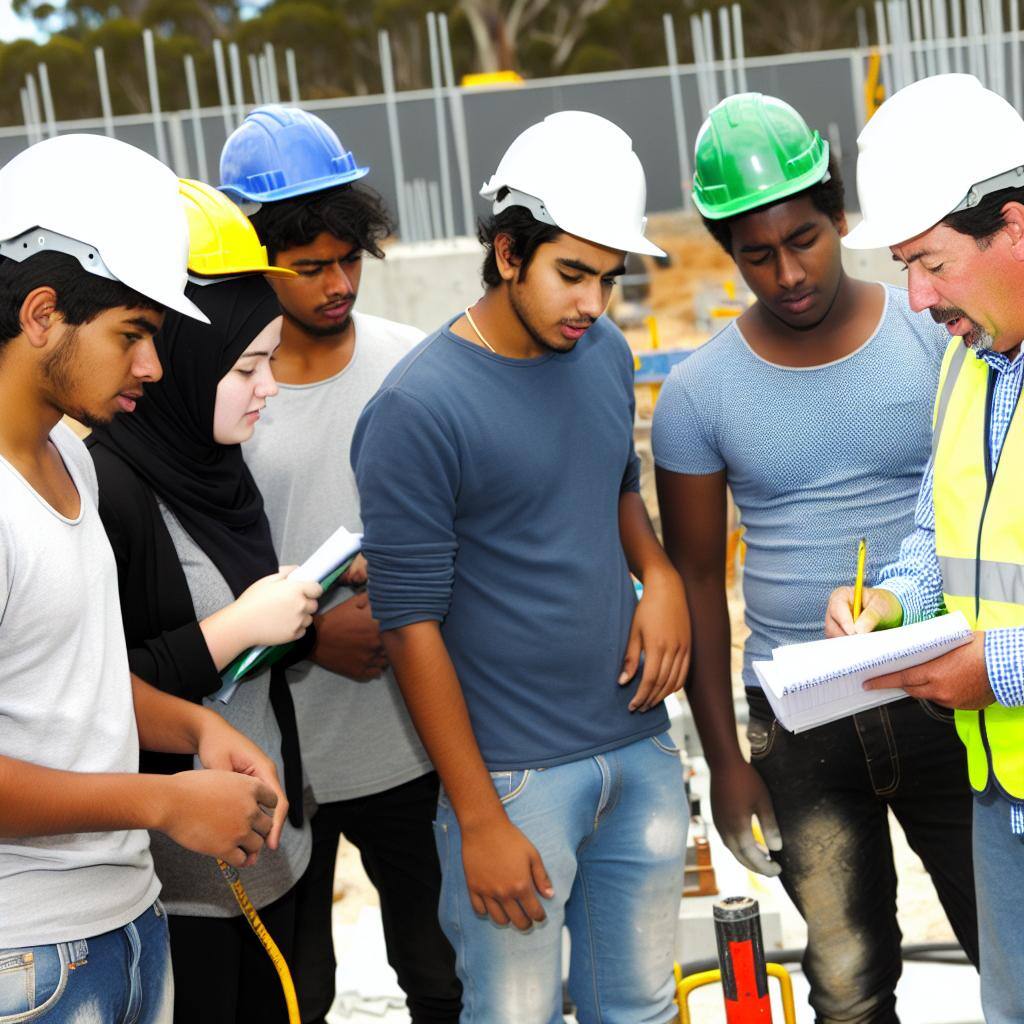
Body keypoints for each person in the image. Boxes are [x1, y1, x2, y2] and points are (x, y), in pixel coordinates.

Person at [351, 111, 690, 1024]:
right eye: (570, 274)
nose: (592, 304)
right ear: (507, 251)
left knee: (644, 1008)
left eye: (607, 280)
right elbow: (407, 624)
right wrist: (479, 819)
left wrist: (658, 578)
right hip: (513, 782)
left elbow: (615, 485)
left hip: (640, 747)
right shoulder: (417, 410)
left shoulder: (604, 353)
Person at [653, 93, 978, 1023]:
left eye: (805, 239)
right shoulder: (698, 394)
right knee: (844, 982)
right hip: (800, 726)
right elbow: (699, 596)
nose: (788, 272)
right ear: (726, 251)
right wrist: (726, 759)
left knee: (1006, 939)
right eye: (757, 254)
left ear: (841, 220)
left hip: (943, 685)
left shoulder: (934, 331)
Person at [0, 135, 288, 1023]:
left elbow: (68, 682)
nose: (153, 368)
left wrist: (191, 725)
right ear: (43, 312)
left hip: (127, 924)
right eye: (132, 335)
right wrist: (162, 800)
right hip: (27, 956)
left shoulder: (71, 464)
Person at [220, 105, 460, 1023]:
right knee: (295, 994)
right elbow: (199, 573)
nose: (335, 284)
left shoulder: (413, 369)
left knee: (444, 974)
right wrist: (313, 635)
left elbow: (462, 533)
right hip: (277, 762)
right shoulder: (225, 396)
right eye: (308, 266)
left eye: (348, 259)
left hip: (410, 741)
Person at [88, 187, 322, 1024]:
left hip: (266, 849)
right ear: (184, 357)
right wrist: (235, 628)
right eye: (246, 368)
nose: (267, 390)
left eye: (271, 362)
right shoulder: (108, 487)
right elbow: (97, 692)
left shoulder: (215, 465)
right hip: (183, 879)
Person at [824, 72, 1024, 1024]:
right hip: (1000, 790)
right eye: (905, 264)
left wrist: (1001, 667)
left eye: (932, 262)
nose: (915, 296)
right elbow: (934, 531)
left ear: (1014, 226)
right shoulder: (967, 359)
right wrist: (894, 604)